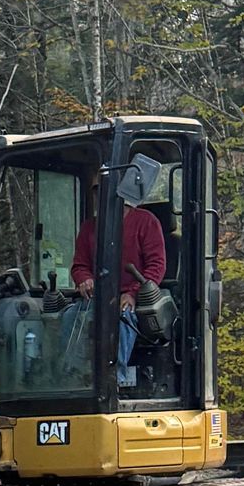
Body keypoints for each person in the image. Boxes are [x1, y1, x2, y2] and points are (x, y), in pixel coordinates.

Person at [69, 158, 169, 386]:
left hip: (135, 297)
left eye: (103, 188)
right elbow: (79, 265)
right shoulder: (89, 228)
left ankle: (115, 378)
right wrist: (84, 279)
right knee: (69, 317)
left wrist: (134, 293)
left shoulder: (146, 222)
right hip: (99, 298)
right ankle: (74, 377)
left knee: (124, 317)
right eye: (95, 190)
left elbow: (156, 265)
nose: (98, 195)